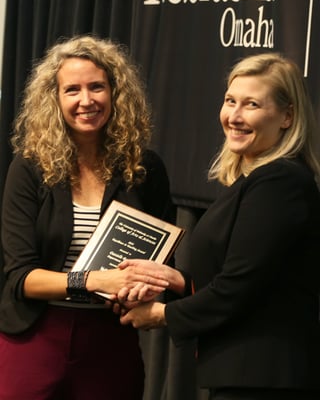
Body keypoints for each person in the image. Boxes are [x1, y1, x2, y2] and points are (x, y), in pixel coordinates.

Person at [119, 53, 320, 400]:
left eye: (252, 104)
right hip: (246, 376)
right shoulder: (254, 179)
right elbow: (255, 278)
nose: (235, 116)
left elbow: (240, 287)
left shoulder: (281, 181)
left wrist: (163, 314)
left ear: (287, 116)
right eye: (230, 101)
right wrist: (178, 281)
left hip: (265, 381)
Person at [0, 34, 184, 400]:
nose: (87, 100)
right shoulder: (30, 168)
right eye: (72, 90)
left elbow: (162, 265)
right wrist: (95, 279)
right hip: (35, 335)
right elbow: (21, 277)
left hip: (110, 338)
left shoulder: (145, 168)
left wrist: (138, 289)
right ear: (54, 100)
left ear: (116, 93)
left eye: (97, 87)